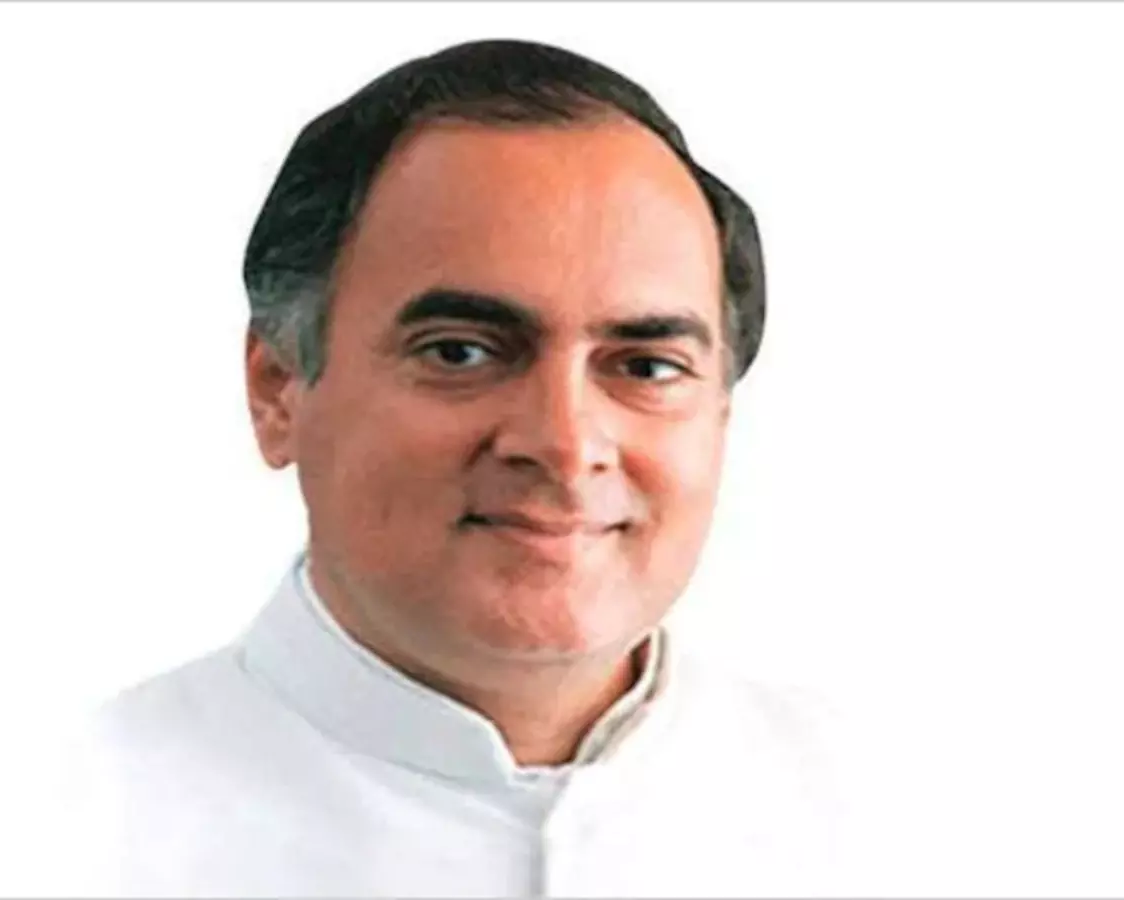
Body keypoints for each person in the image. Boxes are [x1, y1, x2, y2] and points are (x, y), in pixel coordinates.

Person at [50, 38, 846, 897]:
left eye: (646, 367)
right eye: (461, 352)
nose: (565, 443)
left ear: (721, 413)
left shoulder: (895, 821)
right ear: (278, 389)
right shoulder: (38, 835)